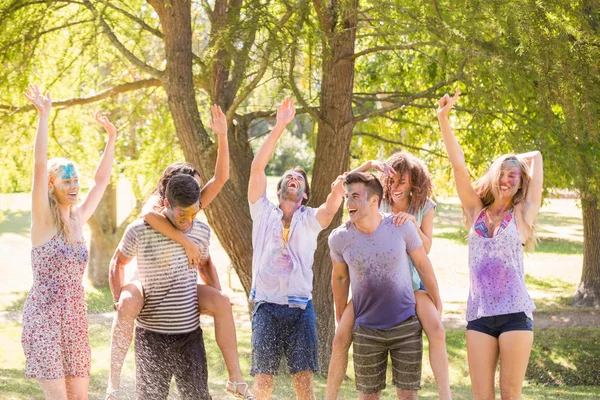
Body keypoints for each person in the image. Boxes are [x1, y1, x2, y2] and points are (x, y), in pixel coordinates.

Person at [106, 107, 255, 399]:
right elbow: (147, 220)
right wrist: (185, 242)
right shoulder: (151, 212)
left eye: (198, 194)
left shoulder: (195, 212)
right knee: (128, 303)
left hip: (186, 323)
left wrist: (222, 136)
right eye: (194, 187)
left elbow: (221, 177)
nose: (198, 196)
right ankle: (113, 384)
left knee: (222, 302)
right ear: (168, 196)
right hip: (149, 295)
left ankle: (235, 378)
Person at [436, 88, 543, 400]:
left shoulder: (523, 215)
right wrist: (443, 119)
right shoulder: (475, 211)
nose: (507, 179)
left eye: (514, 176)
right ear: (494, 174)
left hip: (515, 316)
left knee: (510, 393)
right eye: (503, 173)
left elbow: (537, 157)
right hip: (480, 316)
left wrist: (514, 160)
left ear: (521, 184)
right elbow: (458, 166)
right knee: (481, 396)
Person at [326, 153, 451, 400]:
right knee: (340, 336)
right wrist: (370, 165)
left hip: (412, 285)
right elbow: (345, 185)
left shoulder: (420, 208)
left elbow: (424, 255)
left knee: (436, 329)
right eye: (391, 181)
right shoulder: (376, 200)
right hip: (369, 292)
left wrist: (412, 222)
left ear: (413, 183)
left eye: (401, 182)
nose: (395, 187)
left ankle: (445, 395)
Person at [21, 84, 116, 399]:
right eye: (67, 181)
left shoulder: (78, 218)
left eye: (76, 180)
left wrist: (111, 139)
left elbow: (101, 180)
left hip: (75, 318)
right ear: (52, 185)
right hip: (44, 318)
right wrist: (44, 115)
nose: (75, 186)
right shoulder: (44, 220)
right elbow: (38, 167)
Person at [248, 98, 346, 400]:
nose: (294, 179)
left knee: (303, 382)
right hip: (266, 305)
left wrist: (337, 192)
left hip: (300, 308)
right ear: (279, 189)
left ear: (304, 194)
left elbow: (330, 210)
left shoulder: (309, 219)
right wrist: (280, 126)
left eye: (299, 179)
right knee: (263, 381)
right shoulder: (262, 211)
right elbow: (257, 167)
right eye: (289, 177)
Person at [109, 174, 213, 399]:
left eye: (193, 213)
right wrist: (119, 300)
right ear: (166, 203)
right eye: (181, 214)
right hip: (151, 336)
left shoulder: (202, 232)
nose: (187, 220)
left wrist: (215, 298)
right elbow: (118, 262)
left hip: (190, 336)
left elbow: (205, 265)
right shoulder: (139, 230)